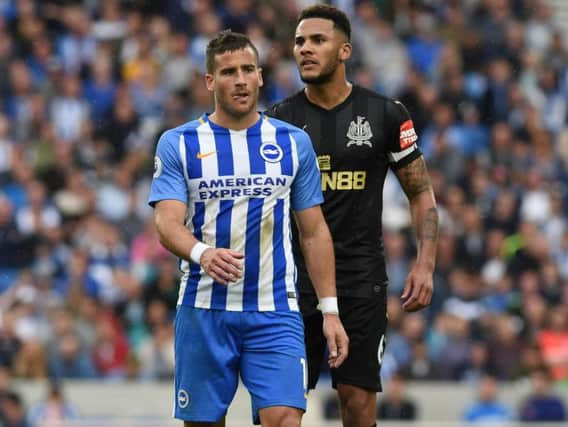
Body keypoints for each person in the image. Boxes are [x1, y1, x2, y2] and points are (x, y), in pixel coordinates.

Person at [148, 30, 349, 427]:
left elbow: (314, 232)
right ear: (210, 81)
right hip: (204, 309)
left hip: (275, 310)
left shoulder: (293, 144)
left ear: (260, 76)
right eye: (227, 72)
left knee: (285, 419)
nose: (239, 80)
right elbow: (166, 223)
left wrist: (330, 310)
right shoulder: (179, 143)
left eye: (247, 70)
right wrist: (203, 253)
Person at [267, 4, 438, 427]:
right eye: (300, 42)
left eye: (317, 40)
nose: (305, 49)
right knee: (279, 411)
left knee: (357, 405)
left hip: (360, 279)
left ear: (344, 50)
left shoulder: (385, 114)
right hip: (293, 284)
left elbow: (421, 193)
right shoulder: (278, 122)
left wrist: (425, 265)